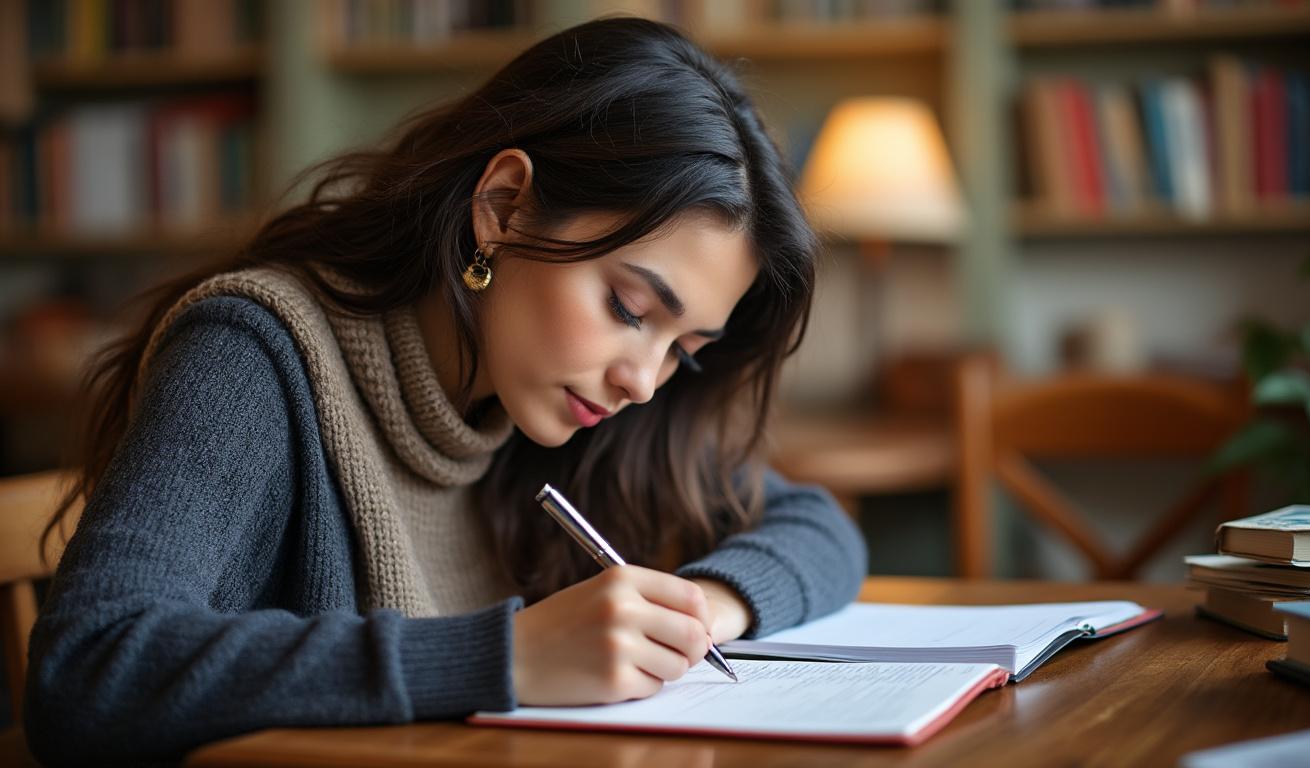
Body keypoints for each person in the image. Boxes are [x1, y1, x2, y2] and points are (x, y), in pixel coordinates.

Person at [24, 17, 866, 766]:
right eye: (627, 307)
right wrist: (507, 656)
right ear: (502, 206)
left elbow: (819, 527)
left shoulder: (560, 412)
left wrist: (702, 614)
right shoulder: (256, 355)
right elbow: (89, 671)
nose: (641, 381)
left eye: (683, 350)